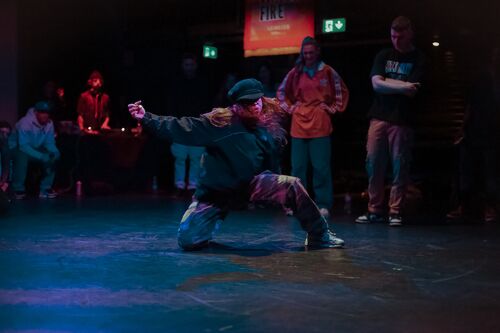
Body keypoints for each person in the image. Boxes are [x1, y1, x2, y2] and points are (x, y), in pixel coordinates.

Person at [128, 78, 344, 250]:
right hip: (216, 193)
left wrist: (275, 193)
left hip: (250, 185)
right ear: (236, 105)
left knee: (291, 184)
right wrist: (146, 117)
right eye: (248, 103)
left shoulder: (267, 129)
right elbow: (180, 126)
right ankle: (211, 221)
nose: (255, 106)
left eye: (257, 101)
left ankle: (319, 235)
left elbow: (272, 165)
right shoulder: (219, 123)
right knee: (188, 240)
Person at [355, 16, 425, 226]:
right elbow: (376, 84)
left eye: (400, 36)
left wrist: (389, 83)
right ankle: (374, 209)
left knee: (399, 165)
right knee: (373, 163)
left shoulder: (419, 58)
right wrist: (402, 85)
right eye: (393, 36)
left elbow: (413, 90)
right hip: (379, 117)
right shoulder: (383, 55)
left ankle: (395, 211)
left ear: (410, 33)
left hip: (402, 120)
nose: (396, 40)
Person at [277, 36, 349, 218]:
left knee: (320, 167)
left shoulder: (327, 71)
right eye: (305, 53)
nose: (308, 56)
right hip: (299, 123)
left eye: (311, 52)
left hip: (320, 122)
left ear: (317, 52)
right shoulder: (296, 72)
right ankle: (297, 203)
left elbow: (341, 90)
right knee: (298, 168)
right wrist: (290, 108)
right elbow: (281, 92)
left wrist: (332, 108)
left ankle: (323, 204)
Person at [447, 47, 499, 223]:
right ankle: (465, 206)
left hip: (491, 131)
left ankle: (488, 208)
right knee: (468, 171)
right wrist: (463, 128)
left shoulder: (492, 78)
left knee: (489, 172)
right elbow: (471, 104)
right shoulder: (481, 77)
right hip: (476, 130)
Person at [167, 53, 211, 196]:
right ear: (182, 66)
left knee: (196, 157)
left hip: (197, 126)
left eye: (191, 64)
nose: (189, 67)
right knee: (180, 157)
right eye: (186, 65)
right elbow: (172, 105)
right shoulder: (176, 84)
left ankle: (193, 185)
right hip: (180, 125)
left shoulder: (202, 84)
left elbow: (206, 105)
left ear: (195, 65)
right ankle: (179, 185)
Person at [8, 101, 60, 199]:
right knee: (21, 157)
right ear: (36, 112)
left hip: (34, 147)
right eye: (42, 112)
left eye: (47, 112)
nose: (45, 115)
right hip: (16, 147)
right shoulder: (25, 122)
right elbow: (23, 146)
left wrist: (55, 152)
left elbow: (49, 143)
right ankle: (18, 188)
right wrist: (41, 156)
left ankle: (45, 188)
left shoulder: (49, 123)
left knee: (52, 156)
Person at [77, 70, 111, 134]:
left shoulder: (105, 97)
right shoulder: (84, 96)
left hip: (101, 130)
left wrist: (105, 124)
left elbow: (107, 114)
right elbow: (80, 115)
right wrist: (81, 129)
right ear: (90, 82)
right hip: (87, 130)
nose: (97, 82)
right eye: (95, 80)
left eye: (99, 80)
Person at [0, 121, 12, 213]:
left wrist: (5, 182)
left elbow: (6, 166)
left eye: (7, 133)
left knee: (5, 205)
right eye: (2, 132)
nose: (4, 136)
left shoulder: (6, 148)